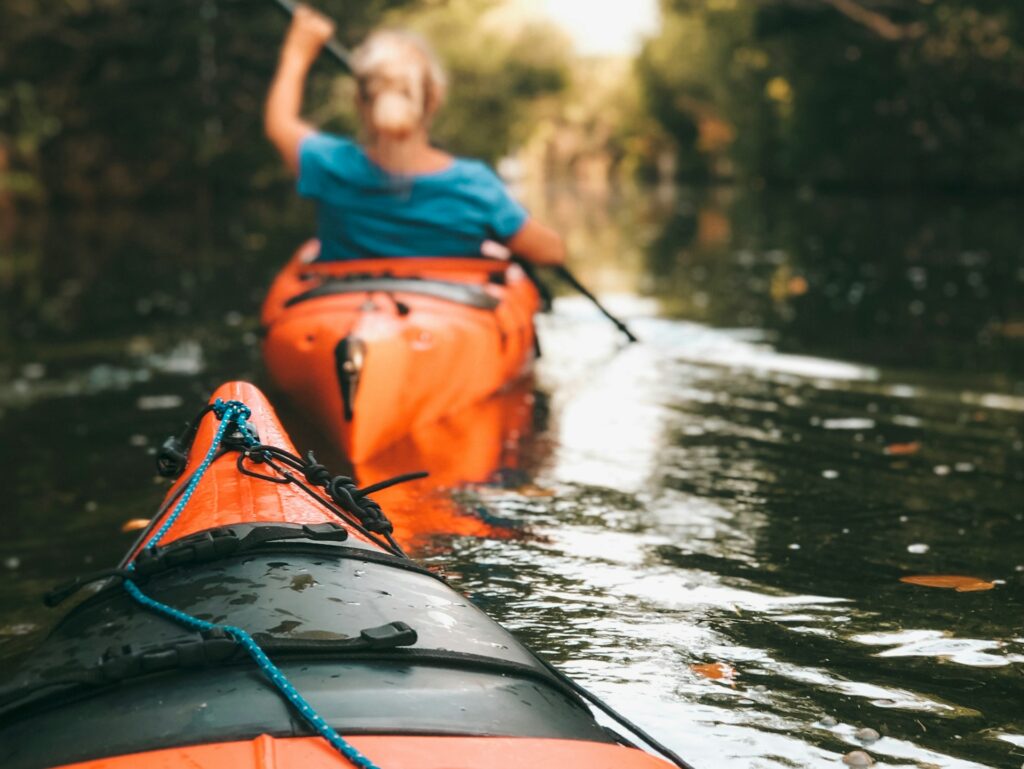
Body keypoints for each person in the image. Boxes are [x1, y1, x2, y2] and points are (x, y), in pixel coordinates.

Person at [264, 4, 566, 266]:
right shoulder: (474, 187)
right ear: (434, 99)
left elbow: (280, 123)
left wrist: (298, 52)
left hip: (344, 320)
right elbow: (550, 252)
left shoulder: (330, 166)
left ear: (359, 101)